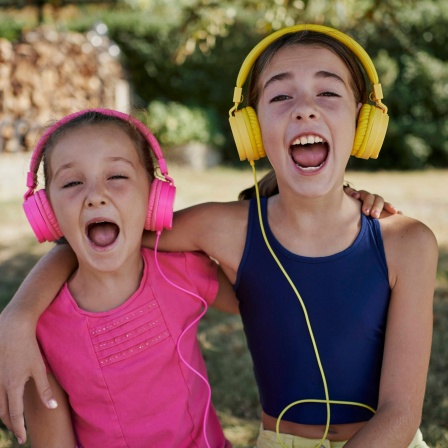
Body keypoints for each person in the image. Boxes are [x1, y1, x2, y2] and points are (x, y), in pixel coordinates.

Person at [0, 24, 421, 447]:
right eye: (280, 96)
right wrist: (18, 316)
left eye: (327, 93)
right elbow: (100, 240)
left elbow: (401, 414)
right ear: (251, 130)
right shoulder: (221, 229)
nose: (305, 110)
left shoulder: (407, 242)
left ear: (364, 121)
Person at [9, 108, 238, 447]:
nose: (95, 195)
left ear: (153, 198)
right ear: (48, 214)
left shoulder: (181, 270)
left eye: (116, 176)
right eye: (72, 182)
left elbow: (252, 301)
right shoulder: (36, 333)